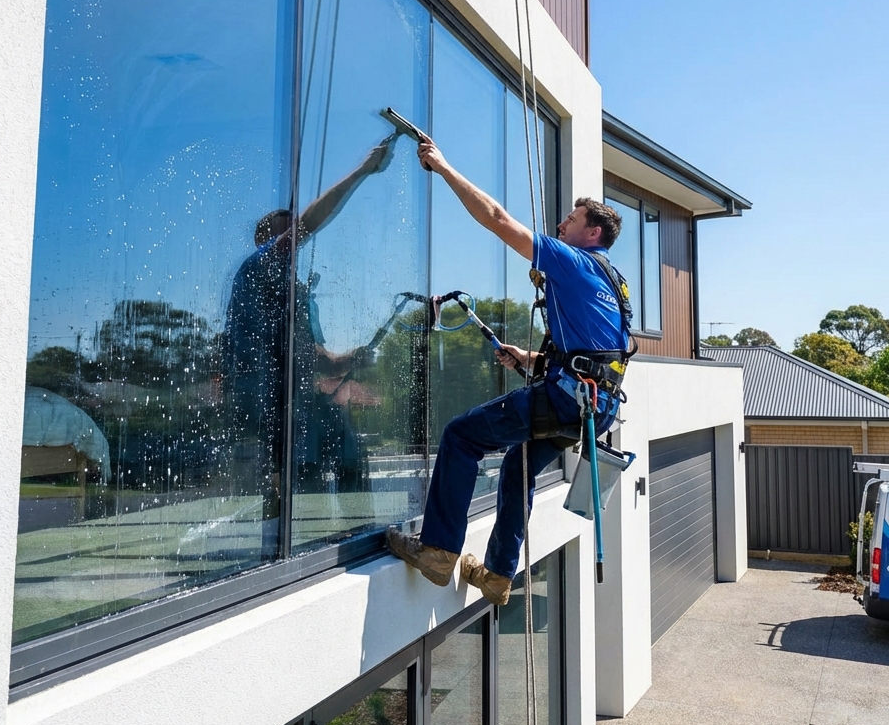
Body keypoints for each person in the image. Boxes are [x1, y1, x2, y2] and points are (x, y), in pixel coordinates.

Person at [386, 132, 633, 604]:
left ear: (593, 233)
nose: (561, 225)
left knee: (461, 437)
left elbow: (497, 219)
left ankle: (438, 552)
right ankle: (498, 574)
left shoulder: (575, 261)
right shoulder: (615, 283)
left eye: (571, 219)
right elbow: (603, 357)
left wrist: (442, 166)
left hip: (568, 397)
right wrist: (533, 359)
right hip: (594, 405)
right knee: (519, 468)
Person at [223, 133, 398, 557]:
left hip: (292, 393)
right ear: (271, 240)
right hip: (266, 394)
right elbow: (307, 225)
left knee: (350, 455)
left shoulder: (296, 288)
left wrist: (344, 358)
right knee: (301, 468)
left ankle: (355, 537)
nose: (299, 242)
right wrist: (362, 171)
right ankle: (294, 550)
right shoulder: (260, 264)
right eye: (290, 235)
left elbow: (311, 354)